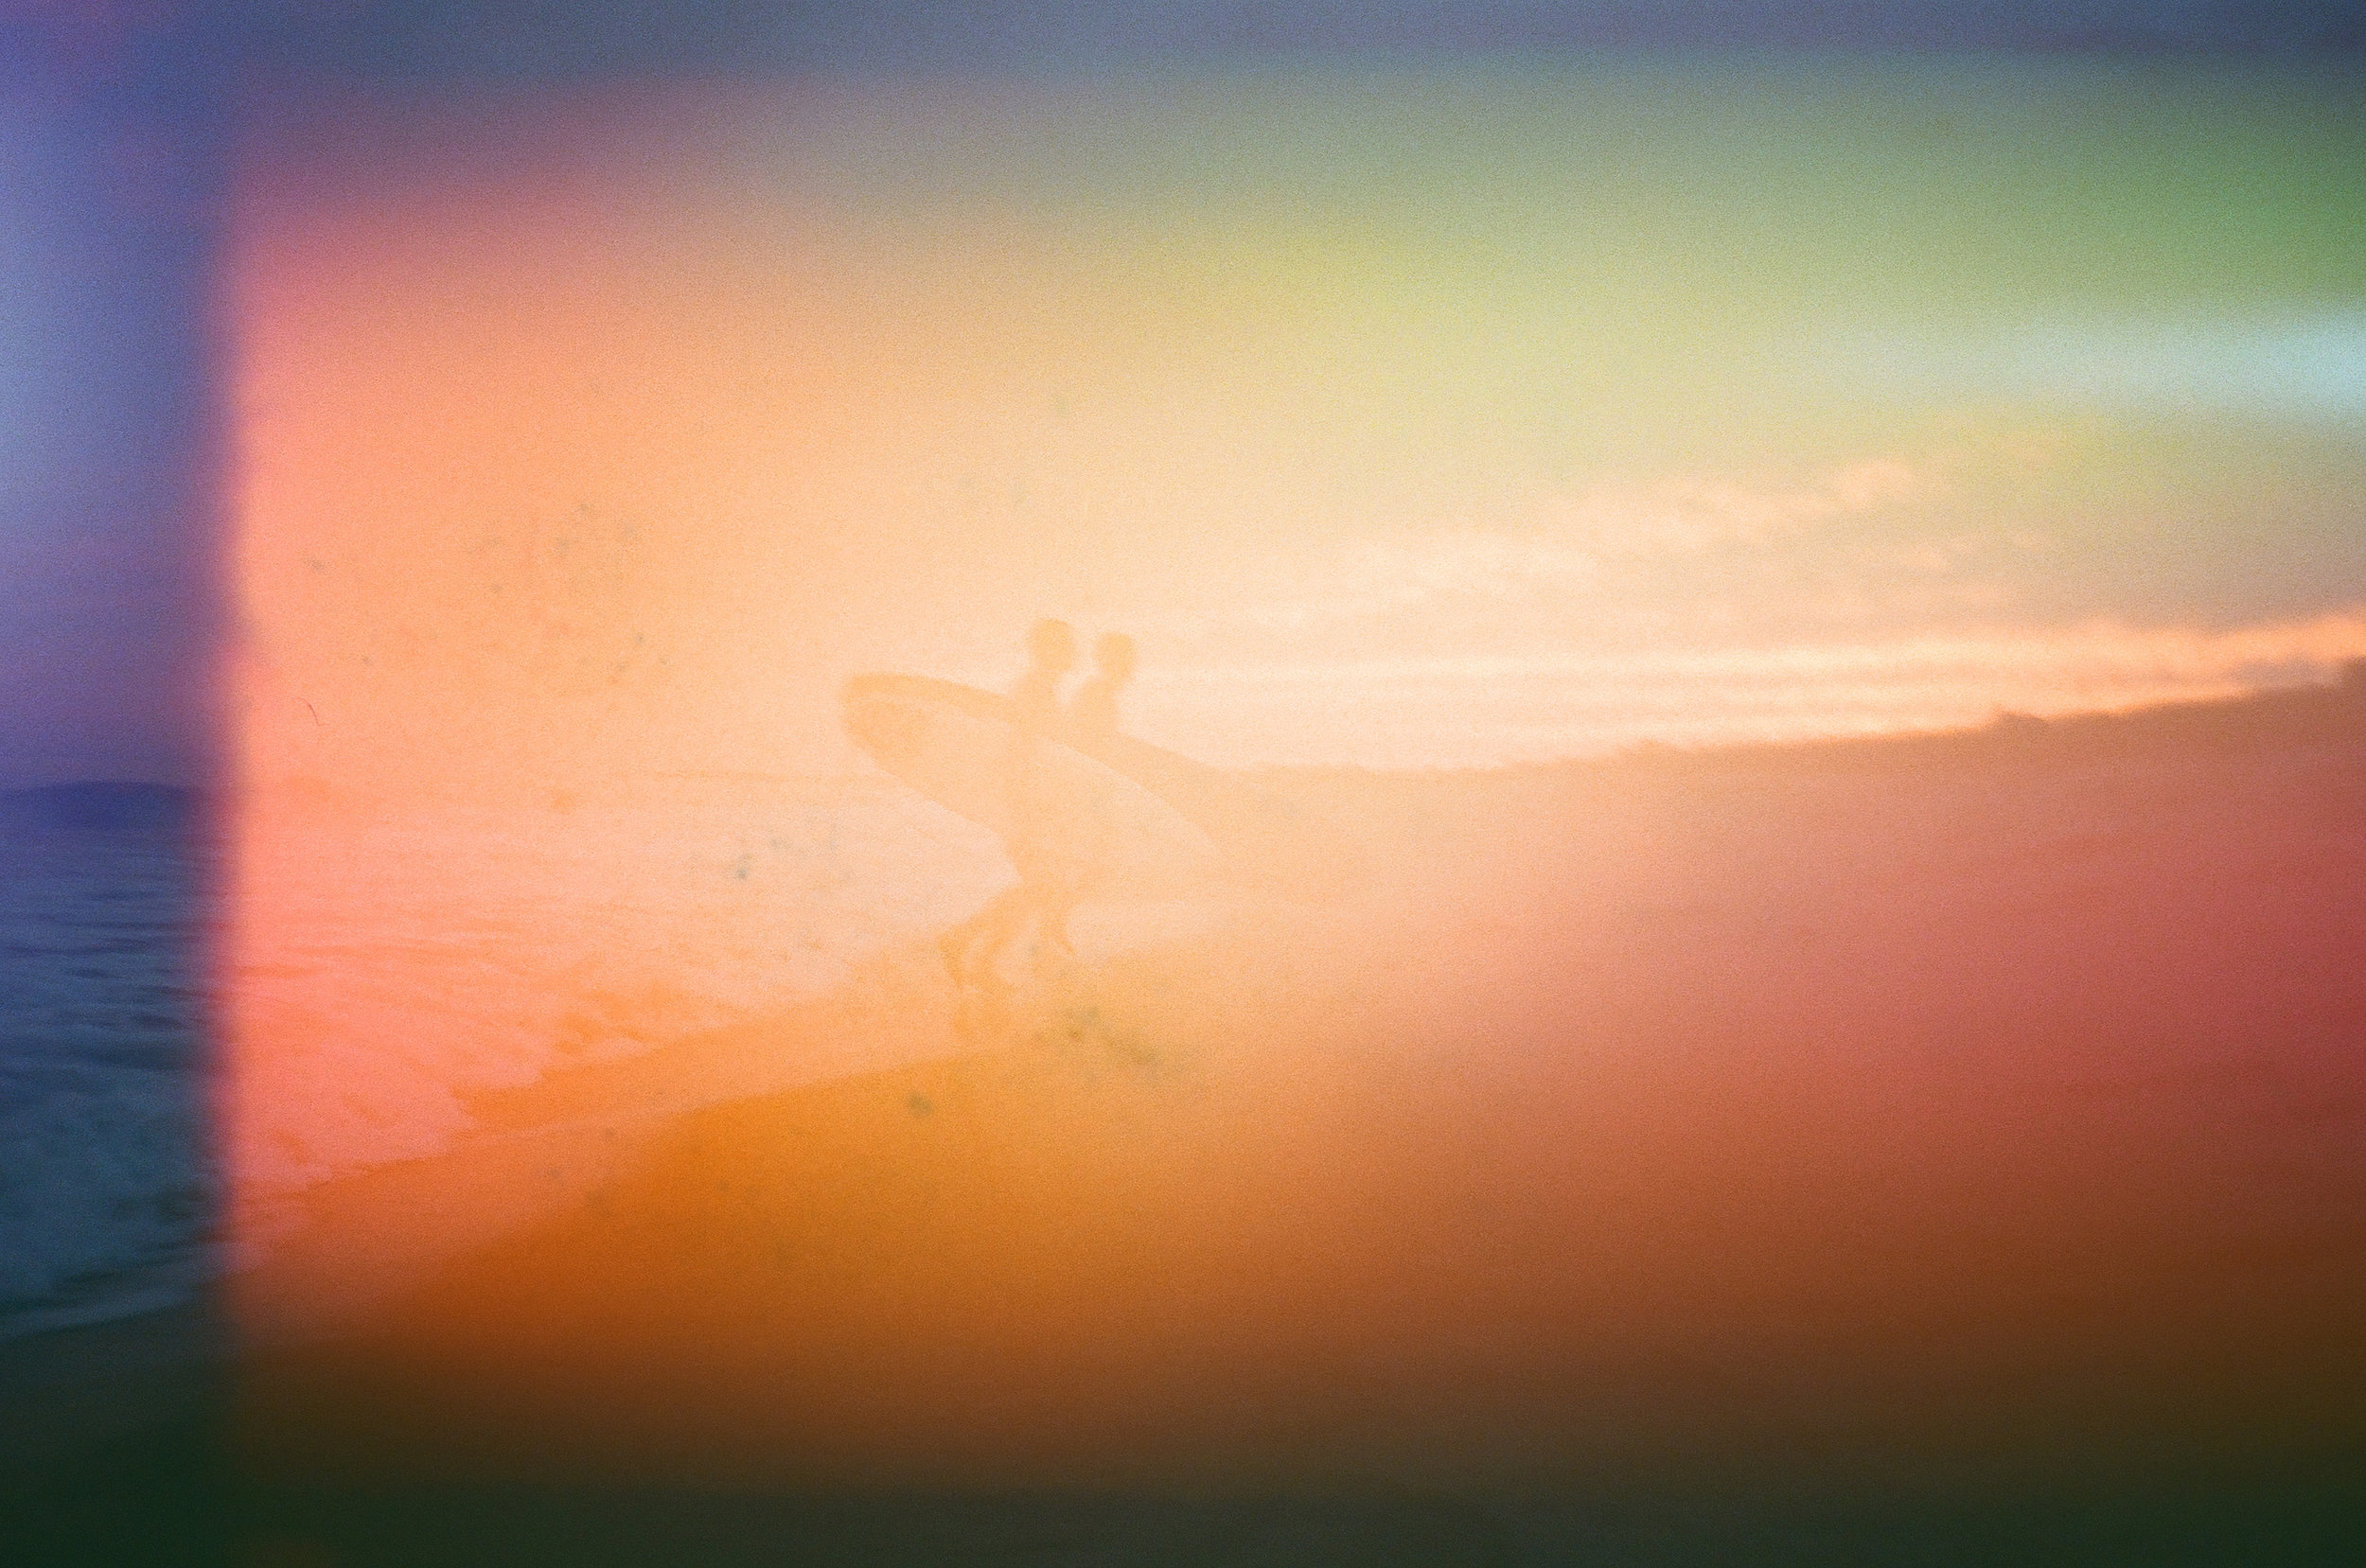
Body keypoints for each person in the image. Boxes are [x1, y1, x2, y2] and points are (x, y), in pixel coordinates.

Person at [938, 619, 1078, 987]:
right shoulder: (1034, 692)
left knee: (1040, 889)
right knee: (1042, 888)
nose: (1073, 652)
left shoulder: (1040, 691)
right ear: (1048, 650)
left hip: (1034, 805)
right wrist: (1025, 812)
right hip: (1029, 806)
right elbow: (1017, 754)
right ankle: (963, 945)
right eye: (1065, 645)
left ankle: (978, 958)